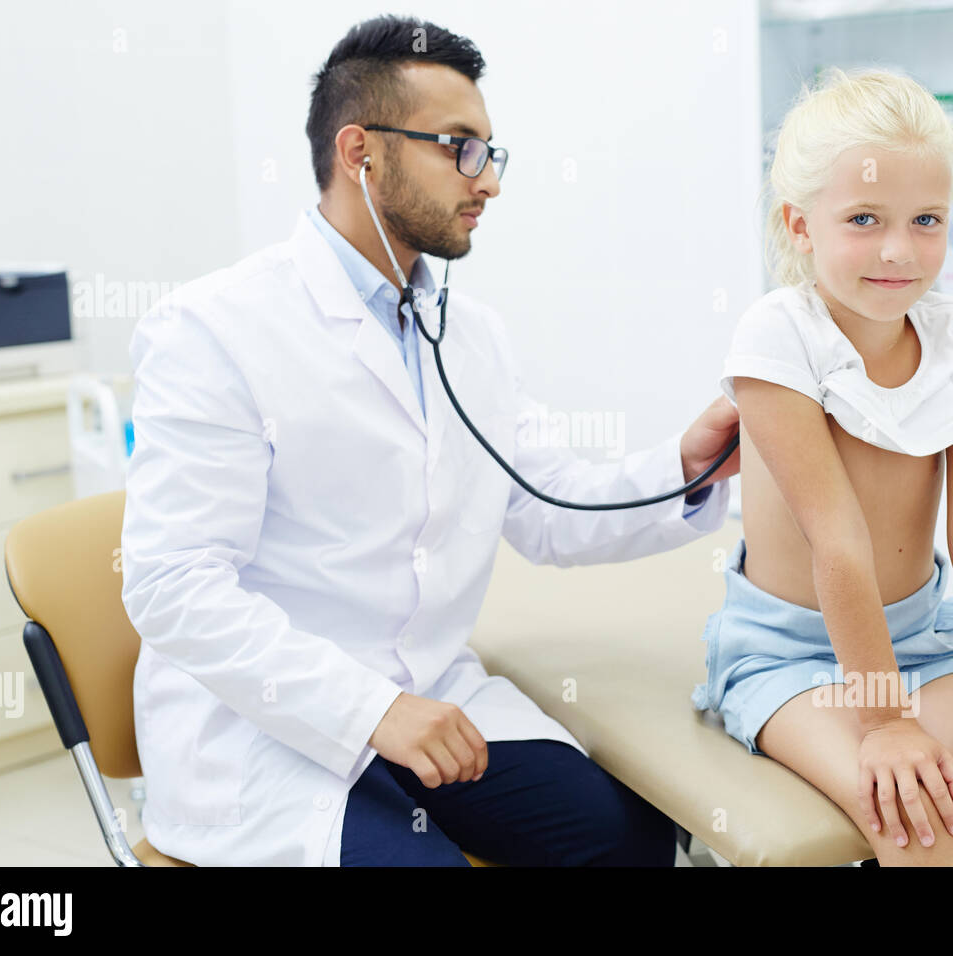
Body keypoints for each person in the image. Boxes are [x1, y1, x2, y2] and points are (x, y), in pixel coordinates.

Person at [120, 15, 738, 867]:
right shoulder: (213, 330)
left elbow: (547, 506)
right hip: (266, 733)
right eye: (460, 148)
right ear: (360, 153)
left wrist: (688, 467)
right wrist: (370, 710)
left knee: (629, 839)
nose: (487, 182)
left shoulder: (467, 333)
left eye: (489, 151)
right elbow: (172, 586)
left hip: (435, 701)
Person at [690, 66, 953, 867]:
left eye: (926, 219)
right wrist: (886, 724)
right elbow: (836, 540)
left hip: (925, 640)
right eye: (864, 218)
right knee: (921, 829)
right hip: (792, 656)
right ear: (799, 227)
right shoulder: (778, 335)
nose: (900, 250)